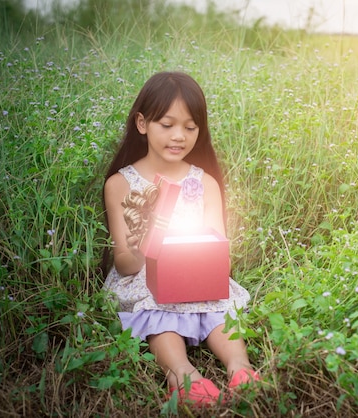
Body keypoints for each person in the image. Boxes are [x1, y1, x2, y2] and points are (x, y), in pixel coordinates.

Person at [102, 71, 259, 406]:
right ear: (142, 124)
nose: (179, 136)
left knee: (218, 304)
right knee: (157, 307)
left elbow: (220, 253)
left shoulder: (204, 183)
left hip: (197, 268)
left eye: (190, 127)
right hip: (143, 273)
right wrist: (147, 235)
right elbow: (125, 264)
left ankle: (240, 367)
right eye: (167, 125)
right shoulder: (122, 184)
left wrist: (198, 268)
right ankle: (182, 375)